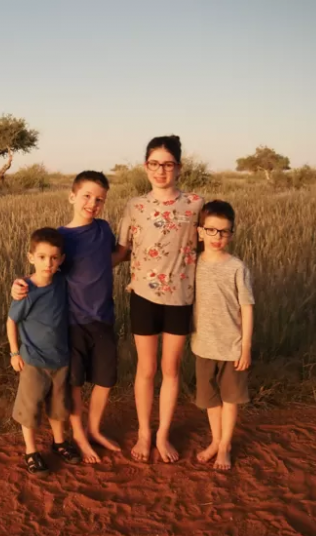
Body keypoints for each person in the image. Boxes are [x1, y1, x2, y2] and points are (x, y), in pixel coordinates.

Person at [12, 171, 125, 464]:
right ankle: (78, 436)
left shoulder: (103, 229)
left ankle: (95, 430)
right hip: (73, 323)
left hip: (103, 317)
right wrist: (20, 284)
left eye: (99, 199)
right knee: (73, 384)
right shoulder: (63, 237)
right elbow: (45, 270)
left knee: (105, 379)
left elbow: (106, 260)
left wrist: (130, 251)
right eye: (87, 196)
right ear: (72, 196)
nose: (92, 203)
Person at [116, 135, 204, 463]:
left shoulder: (196, 204)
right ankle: (143, 433)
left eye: (167, 164)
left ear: (179, 168)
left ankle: (163, 434)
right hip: (142, 296)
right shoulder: (134, 206)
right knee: (146, 368)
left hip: (180, 298)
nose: (161, 171)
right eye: (154, 164)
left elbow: (209, 247)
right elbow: (122, 252)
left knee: (171, 368)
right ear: (145, 167)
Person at [7, 227, 82, 477]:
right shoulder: (26, 290)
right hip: (33, 362)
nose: (47, 263)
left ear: (60, 260)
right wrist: (14, 353)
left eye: (53, 258)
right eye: (41, 257)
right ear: (31, 257)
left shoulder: (61, 281)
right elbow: (11, 321)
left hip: (60, 359)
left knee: (59, 406)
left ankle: (59, 442)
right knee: (30, 409)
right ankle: (31, 451)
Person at [192, 200, 254, 470]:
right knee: (211, 401)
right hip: (203, 346)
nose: (218, 237)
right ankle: (215, 441)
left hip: (231, 347)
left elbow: (247, 308)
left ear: (231, 233)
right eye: (212, 230)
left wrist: (246, 347)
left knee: (230, 400)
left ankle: (226, 445)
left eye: (224, 232)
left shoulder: (236, 267)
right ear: (200, 231)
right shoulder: (193, 264)